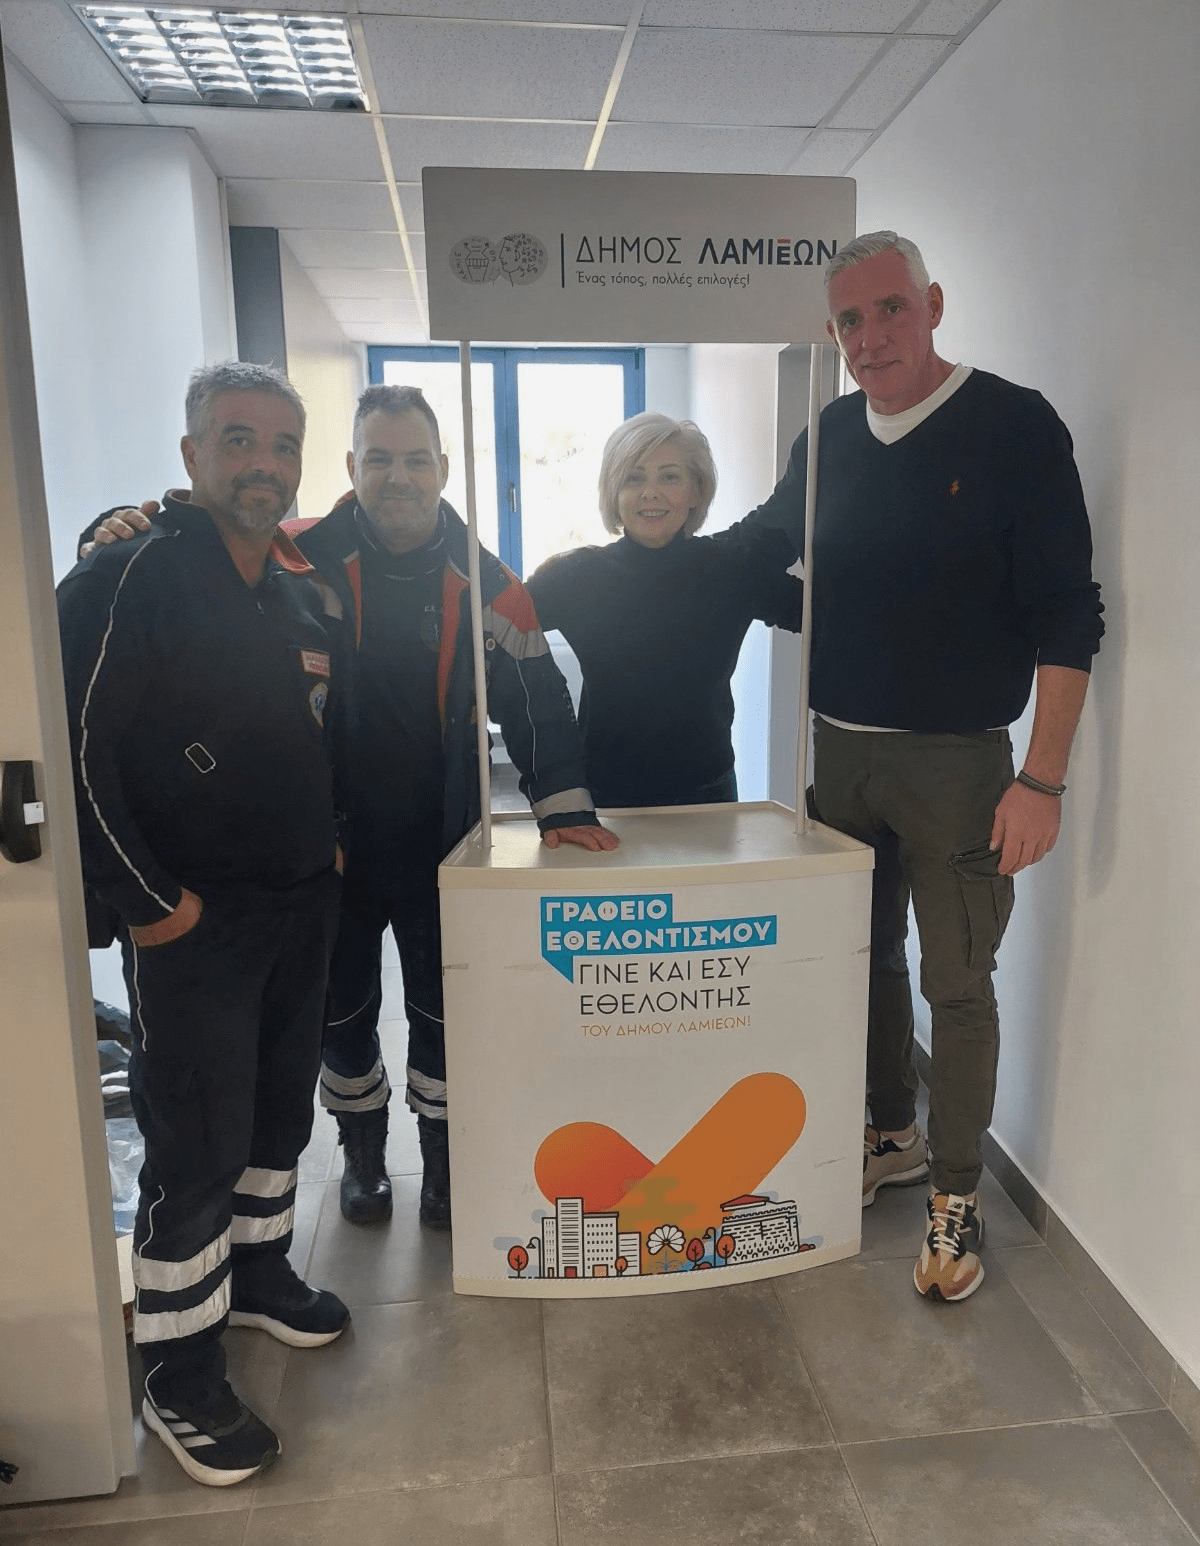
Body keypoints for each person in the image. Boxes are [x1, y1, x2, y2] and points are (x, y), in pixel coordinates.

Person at [84, 384, 618, 1234]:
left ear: (443, 469)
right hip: (321, 849)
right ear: (350, 467)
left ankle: (441, 1162)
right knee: (339, 1014)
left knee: (444, 1012)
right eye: (380, 459)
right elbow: (193, 556)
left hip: (443, 845)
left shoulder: (486, 579)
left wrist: (562, 810)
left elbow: (536, 698)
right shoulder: (296, 554)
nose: (398, 476)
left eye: (415, 460)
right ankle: (364, 1152)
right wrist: (118, 525)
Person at [749, 231, 1104, 1301]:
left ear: (933, 304)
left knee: (956, 983)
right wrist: (638, 561)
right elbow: (765, 547)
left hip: (958, 766)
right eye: (850, 321)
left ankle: (957, 1196)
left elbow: (1069, 611)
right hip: (842, 756)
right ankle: (891, 1134)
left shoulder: (1013, 425)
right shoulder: (828, 437)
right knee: (859, 960)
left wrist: (1041, 779)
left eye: (890, 309)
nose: (870, 338)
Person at [58, 362, 349, 1487]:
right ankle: (178, 1369)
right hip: (191, 922)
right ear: (191, 455)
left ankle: (260, 1275)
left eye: (282, 445)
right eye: (238, 440)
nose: (262, 464)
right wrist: (150, 906)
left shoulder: (297, 592)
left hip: (297, 906)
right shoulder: (126, 575)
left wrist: (328, 846)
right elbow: (75, 757)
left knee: (278, 1119)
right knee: (195, 1145)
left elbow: (313, 736)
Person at [526, 412, 804, 808]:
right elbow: (495, 630)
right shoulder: (574, 575)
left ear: (696, 491)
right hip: (604, 797)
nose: (650, 493)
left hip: (707, 795)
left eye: (670, 477)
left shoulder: (731, 568)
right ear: (613, 493)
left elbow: (828, 614)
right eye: (633, 478)